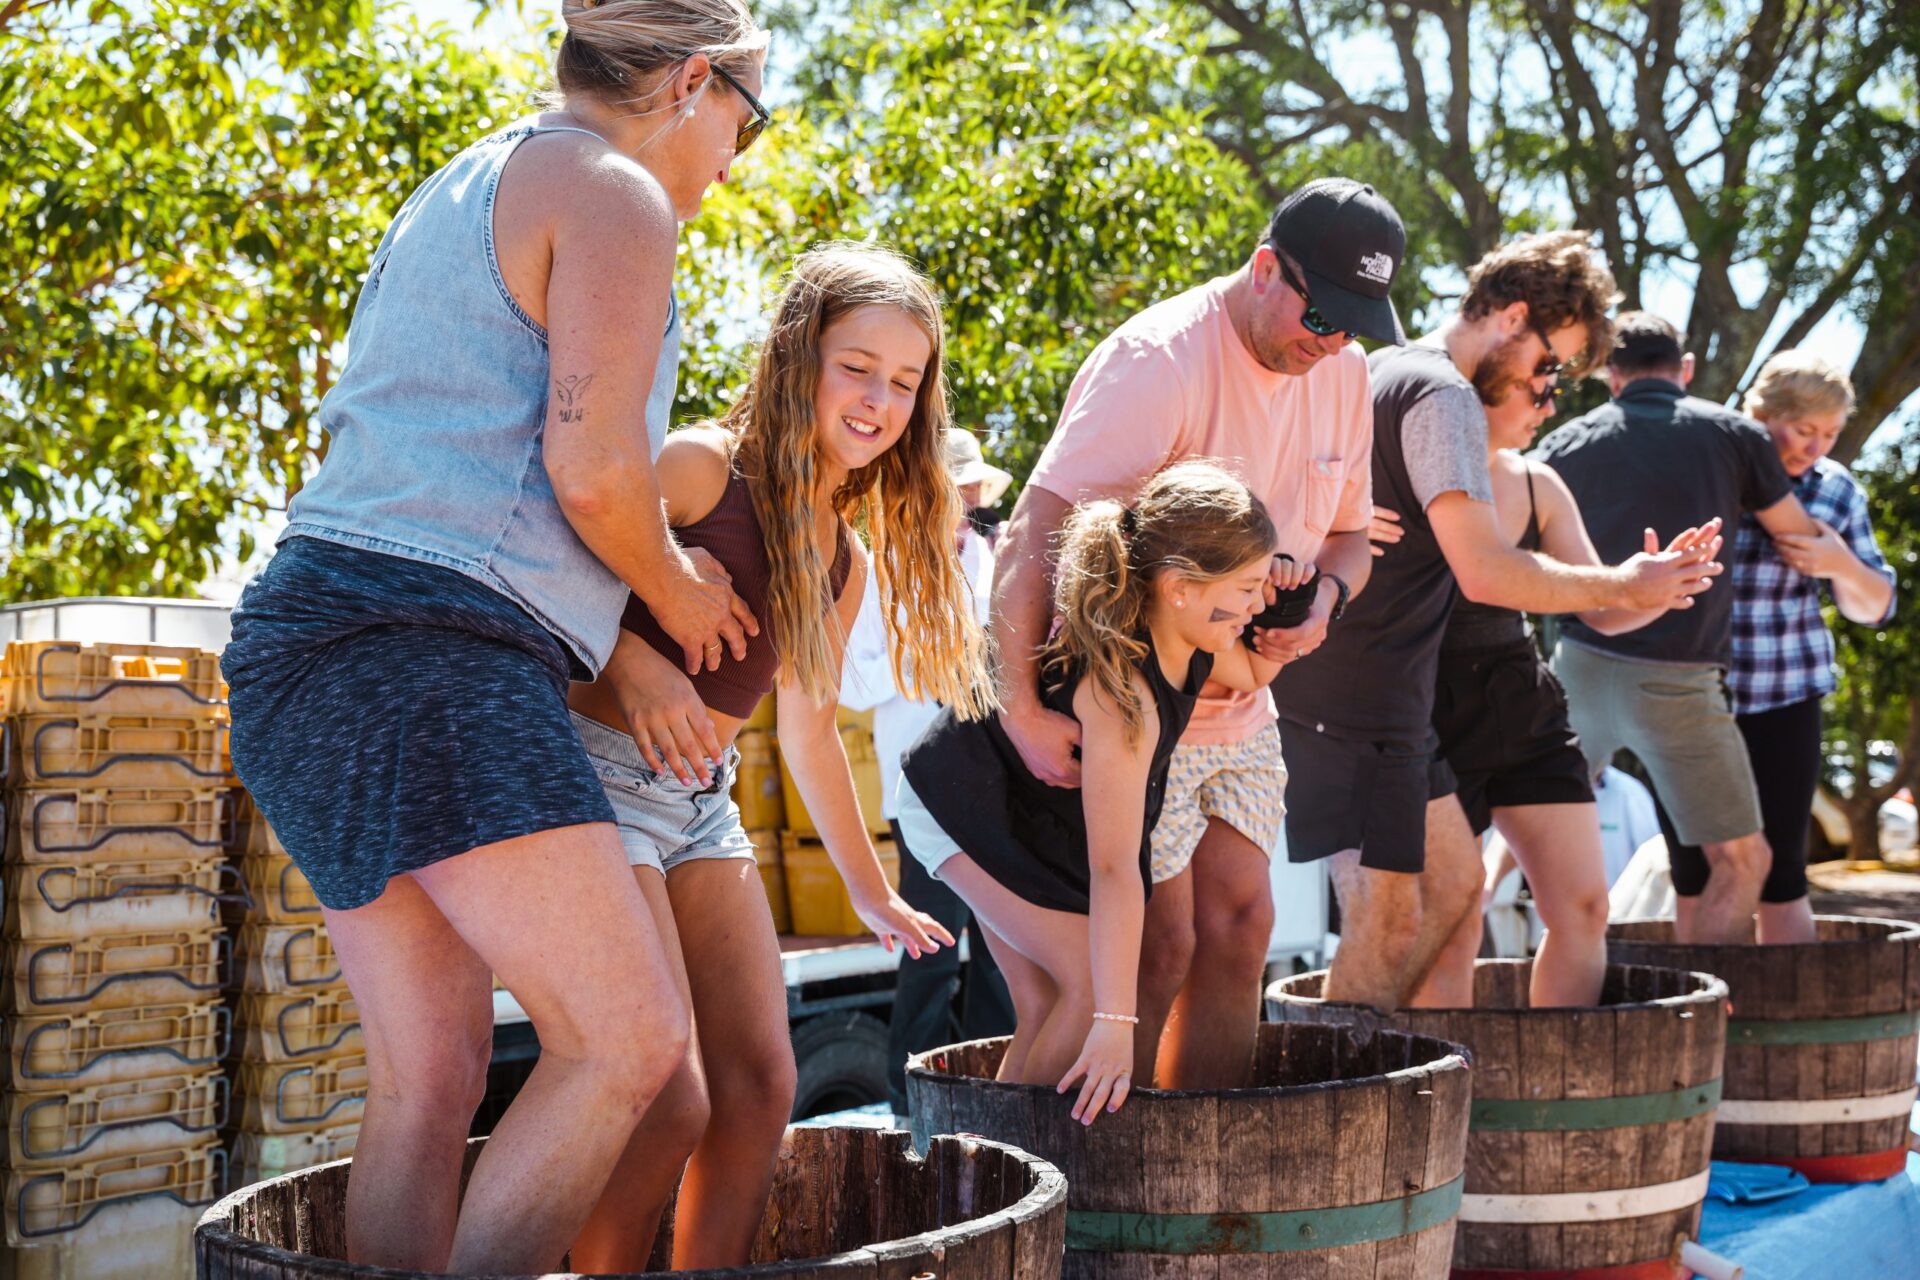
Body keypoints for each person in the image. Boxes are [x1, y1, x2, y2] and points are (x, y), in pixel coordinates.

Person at [219, 2, 769, 1270]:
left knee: (432, 1072)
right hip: (432, 650)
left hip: (302, 650)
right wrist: (678, 590)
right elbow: (590, 469)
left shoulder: (467, 178)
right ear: (694, 81)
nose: (741, 149)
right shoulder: (617, 192)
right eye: (749, 113)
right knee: (628, 1041)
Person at [564, 244, 994, 1270]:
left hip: (697, 806)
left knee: (758, 1085)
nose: (879, 397)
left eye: (905, 381)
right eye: (858, 365)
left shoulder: (842, 557)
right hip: (594, 781)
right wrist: (640, 666)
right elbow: (537, 577)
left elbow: (805, 729)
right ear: (798, 354)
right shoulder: (699, 466)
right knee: (669, 1091)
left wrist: (870, 888)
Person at [994, 178, 1398, 1087]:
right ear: (1266, 270)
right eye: (1322, 315)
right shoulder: (1160, 360)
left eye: (1354, 326)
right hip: (1132, 704)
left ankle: (1191, 1175)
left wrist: (1326, 598)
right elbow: (1035, 529)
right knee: (1158, 944)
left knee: (1245, 924)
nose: (1330, 342)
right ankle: (1098, 1178)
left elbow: (1347, 537)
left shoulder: (1344, 371)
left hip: (1242, 707)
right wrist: (1017, 703)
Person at [1275, 232, 1723, 1012]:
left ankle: (1387, 1104)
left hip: (1371, 699)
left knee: (1446, 893)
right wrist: (1623, 580)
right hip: (1357, 700)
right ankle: (1329, 1096)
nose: (1549, 391)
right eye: (1550, 365)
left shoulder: (1375, 371)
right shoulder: (1439, 390)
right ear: (1513, 318)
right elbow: (1484, 568)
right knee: (1387, 922)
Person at [899, 463, 1285, 1123]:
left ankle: (983, 1170)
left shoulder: (1188, 637)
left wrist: (1292, 634)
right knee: (1086, 986)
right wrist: (1115, 1019)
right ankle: (1005, 1171)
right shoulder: (1123, 692)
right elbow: (1112, 867)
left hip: (1013, 818)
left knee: (1052, 1002)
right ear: (1182, 589)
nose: (1257, 606)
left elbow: (1251, 668)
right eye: (1248, 588)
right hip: (960, 808)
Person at [1537, 313, 1818, 945]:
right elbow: (1797, 534)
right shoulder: (1734, 434)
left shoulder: (1562, 445)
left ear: (1612, 375)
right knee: (1745, 862)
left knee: (1537, 864)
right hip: (1682, 684)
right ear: (1684, 370)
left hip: (1577, 669)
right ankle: (1699, 1023)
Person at [1656, 351, 1895, 945]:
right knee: (1693, 869)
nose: (1815, 447)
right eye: (1803, 429)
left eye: (1830, 435)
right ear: (1760, 416)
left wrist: (1839, 562)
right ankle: (1702, 1016)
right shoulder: (1704, 472)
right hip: (1690, 697)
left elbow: (1876, 606)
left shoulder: (1834, 489)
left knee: (1784, 873)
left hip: (1785, 696)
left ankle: (1784, 1031)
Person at [842, 427, 1016, 1117]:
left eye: (970, 487)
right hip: (921, 794)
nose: (967, 498)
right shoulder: (879, 572)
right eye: (955, 486)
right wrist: (925, 661)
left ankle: (991, 1096)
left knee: (1003, 952)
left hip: (1000, 786)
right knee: (930, 952)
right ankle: (909, 1103)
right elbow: (851, 686)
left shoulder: (1000, 563)